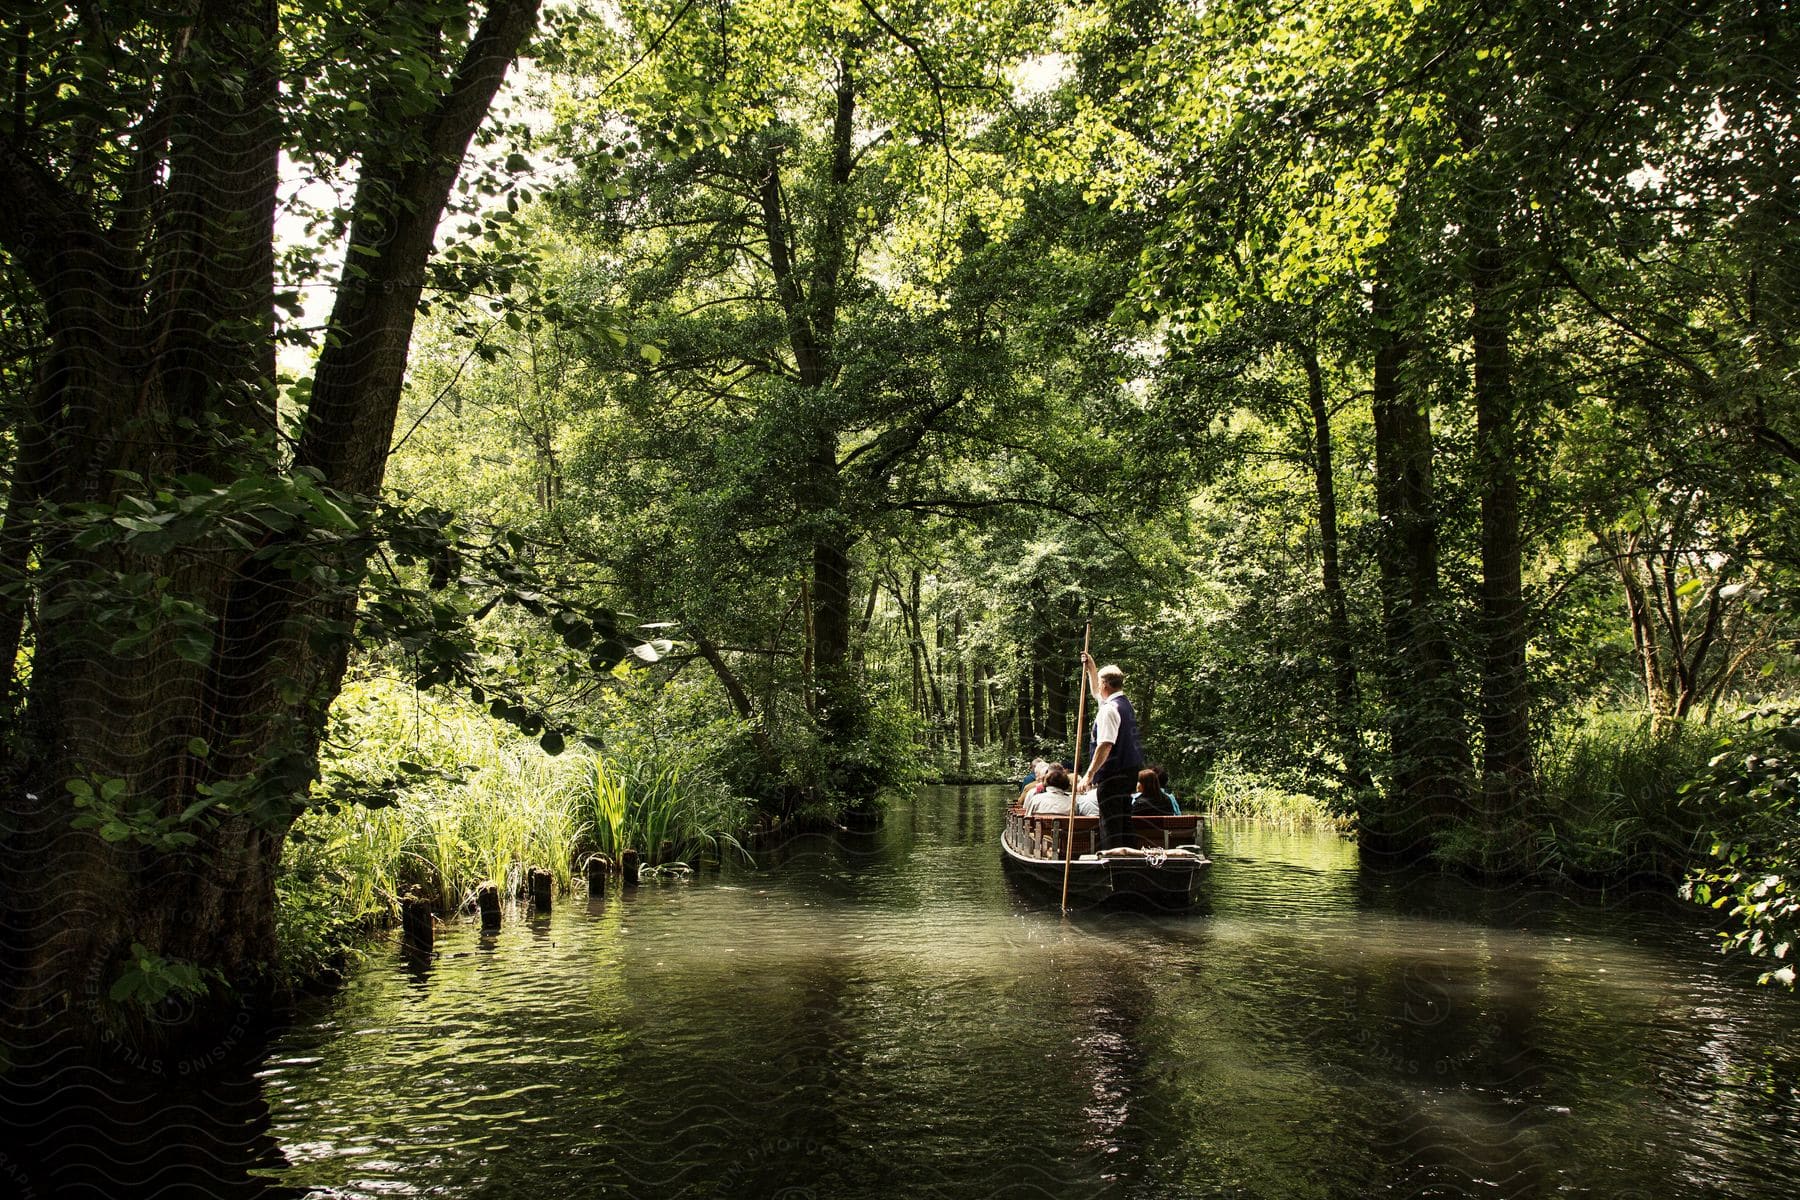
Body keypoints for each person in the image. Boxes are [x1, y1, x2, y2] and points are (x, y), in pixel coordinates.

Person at [1076, 652, 1144, 850]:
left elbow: (1105, 745)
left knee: (1111, 824)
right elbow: (1096, 692)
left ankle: (1113, 863)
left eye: (1099, 682)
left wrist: (1089, 775)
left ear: (1105, 684)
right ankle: (1131, 859)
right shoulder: (1123, 703)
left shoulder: (1109, 710)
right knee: (1123, 820)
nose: (1097, 686)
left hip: (1113, 775)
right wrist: (1091, 667)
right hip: (1129, 774)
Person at [1024, 764, 1099, 817]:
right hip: (1064, 837)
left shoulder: (1036, 799)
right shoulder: (1073, 803)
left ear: (1046, 782)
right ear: (1066, 784)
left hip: (1041, 836)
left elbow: (1027, 818)